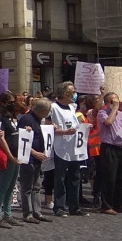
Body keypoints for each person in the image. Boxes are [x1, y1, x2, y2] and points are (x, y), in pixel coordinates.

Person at [49, 82, 84, 217]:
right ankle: (59, 206)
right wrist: (64, 132)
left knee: (75, 177)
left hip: (74, 147)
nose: (74, 94)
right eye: (72, 92)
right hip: (61, 146)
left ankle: (74, 206)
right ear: (64, 93)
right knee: (60, 178)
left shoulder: (71, 107)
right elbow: (49, 127)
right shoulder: (53, 108)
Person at [17, 99, 52, 224]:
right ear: (42, 111)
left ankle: (37, 211)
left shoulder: (38, 119)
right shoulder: (27, 119)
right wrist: (35, 153)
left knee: (36, 186)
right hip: (29, 158)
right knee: (27, 187)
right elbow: (21, 140)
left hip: (38, 159)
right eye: (48, 111)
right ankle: (27, 213)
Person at [0, 93, 22, 229]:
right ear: (3, 102)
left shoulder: (10, 116)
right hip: (8, 155)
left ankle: (8, 213)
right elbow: (0, 138)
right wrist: (10, 156)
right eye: (11, 101)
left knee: (11, 186)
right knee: (4, 186)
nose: (13, 103)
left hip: (16, 154)